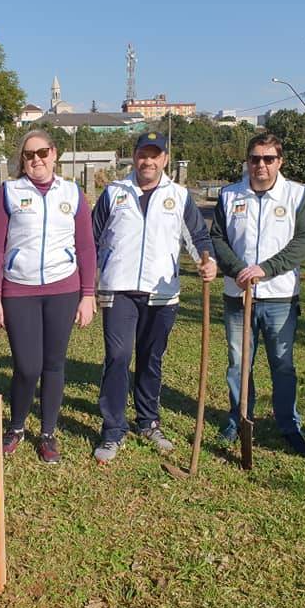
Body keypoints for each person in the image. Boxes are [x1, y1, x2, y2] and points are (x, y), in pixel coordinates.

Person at [92, 131, 217, 464]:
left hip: (161, 293)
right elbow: (91, 237)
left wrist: (207, 262)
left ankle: (148, 422)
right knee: (118, 356)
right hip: (118, 289)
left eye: (154, 155)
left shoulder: (179, 195)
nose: (148, 161)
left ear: (165, 159)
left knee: (151, 358)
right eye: (142, 155)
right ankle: (113, 429)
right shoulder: (114, 192)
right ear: (134, 157)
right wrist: (87, 284)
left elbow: (198, 237)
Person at [0, 129, 97, 463]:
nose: (37, 159)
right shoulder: (8, 192)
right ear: (22, 160)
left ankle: (48, 433)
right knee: (27, 366)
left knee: (54, 363)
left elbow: (86, 246)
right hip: (18, 290)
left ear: (54, 153)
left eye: (42, 152)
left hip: (64, 288)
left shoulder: (73, 193)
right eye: (29, 154)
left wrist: (88, 294)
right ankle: (16, 426)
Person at [210, 133, 305, 455]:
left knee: (282, 365)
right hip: (237, 296)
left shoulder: (296, 194)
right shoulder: (230, 195)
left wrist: (265, 269)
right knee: (238, 364)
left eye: (269, 159)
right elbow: (217, 238)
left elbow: (303, 242)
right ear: (247, 161)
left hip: (279, 297)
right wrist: (239, 270)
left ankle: (289, 426)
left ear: (279, 162)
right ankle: (238, 419)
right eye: (255, 158)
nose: (261, 165)